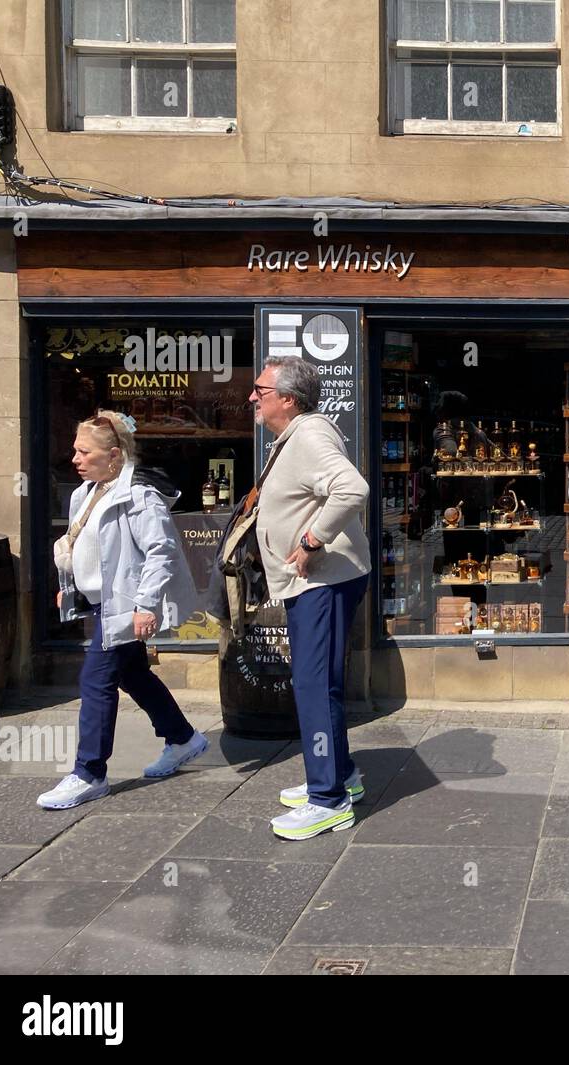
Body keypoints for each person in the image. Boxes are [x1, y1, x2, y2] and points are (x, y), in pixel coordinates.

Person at [39, 411, 207, 810]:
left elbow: (160, 552)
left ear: (113, 455)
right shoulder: (86, 492)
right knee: (132, 673)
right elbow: (87, 549)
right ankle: (183, 738)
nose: (75, 458)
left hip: (125, 607)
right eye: (74, 450)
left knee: (95, 681)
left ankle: (89, 772)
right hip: (103, 605)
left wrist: (145, 605)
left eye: (84, 451)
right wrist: (74, 590)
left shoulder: (139, 496)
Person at [250, 357, 371, 840]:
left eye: (260, 388)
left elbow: (352, 488)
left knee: (312, 686)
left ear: (288, 398)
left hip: (321, 580)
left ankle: (328, 801)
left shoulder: (310, 435)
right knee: (322, 684)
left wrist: (310, 542)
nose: (252, 396)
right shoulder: (296, 436)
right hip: (318, 582)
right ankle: (340, 775)